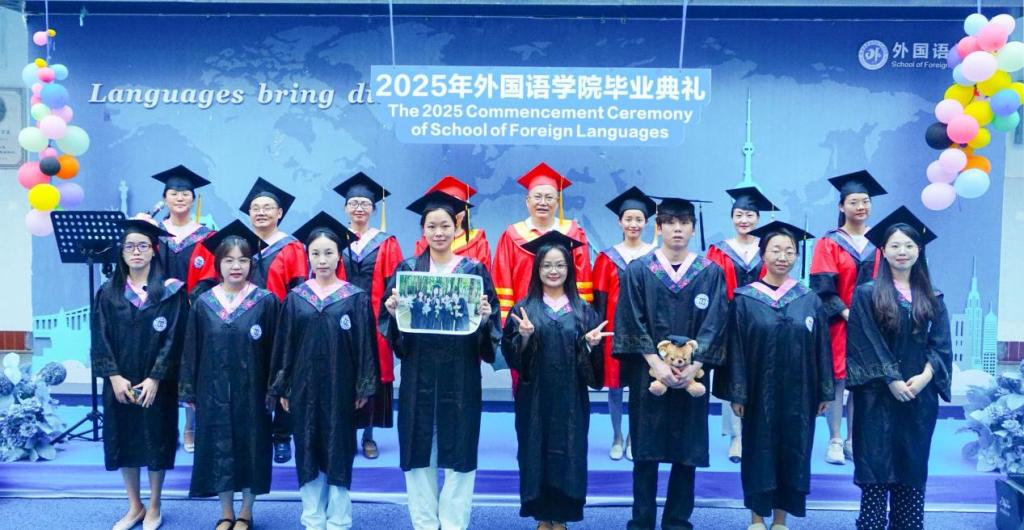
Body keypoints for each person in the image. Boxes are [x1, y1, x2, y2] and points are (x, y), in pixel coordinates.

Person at [380, 190, 500, 530]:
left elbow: (491, 327)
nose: (439, 232)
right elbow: (391, 328)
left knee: (460, 447)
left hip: (460, 372)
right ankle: (424, 523)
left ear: (456, 228)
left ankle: (453, 523)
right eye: (431, 226)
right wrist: (393, 314)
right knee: (418, 447)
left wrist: (485, 317)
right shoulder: (407, 270)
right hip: (419, 371)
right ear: (423, 230)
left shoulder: (474, 271)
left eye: (445, 225)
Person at [612, 197, 728, 530]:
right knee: (645, 451)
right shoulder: (639, 270)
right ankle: (641, 522)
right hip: (649, 374)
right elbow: (630, 319)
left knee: (686, 453)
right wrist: (656, 363)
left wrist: (694, 365)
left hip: (694, 375)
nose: (677, 229)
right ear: (658, 227)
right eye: (670, 222)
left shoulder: (710, 273)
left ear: (693, 228)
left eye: (684, 223)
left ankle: (677, 522)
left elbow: (716, 322)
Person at [716, 220, 833, 530]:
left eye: (789, 251)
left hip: (800, 394)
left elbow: (822, 346)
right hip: (758, 393)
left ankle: (781, 519)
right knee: (758, 451)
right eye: (776, 250)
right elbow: (735, 349)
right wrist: (737, 393)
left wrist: (824, 390)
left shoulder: (808, 299)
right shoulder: (745, 299)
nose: (783, 257)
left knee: (794, 451)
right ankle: (757, 518)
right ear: (763, 254)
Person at [269, 212, 378, 530]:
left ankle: (339, 520)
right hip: (303, 388)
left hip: (340, 387)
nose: (322, 259)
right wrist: (283, 385)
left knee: (339, 449)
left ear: (339, 255)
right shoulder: (297, 298)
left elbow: (365, 345)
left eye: (329, 252)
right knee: (307, 448)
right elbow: (285, 345)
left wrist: (363, 386)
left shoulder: (354, 297)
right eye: (315, 253)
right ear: (308, 256)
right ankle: (313, 519)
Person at [846, 207, 951, 530]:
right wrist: (892, 379)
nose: (902, 251)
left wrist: (924, 378)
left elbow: (941, 345)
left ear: (919, 250)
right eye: (894, 245)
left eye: (908, 245)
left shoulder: (933, 296)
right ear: (883, 250)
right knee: (876, 469)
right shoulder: (866, 294)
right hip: (877, 396)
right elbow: (865, 341)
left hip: (918, 398)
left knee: (911, 467)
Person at [502, 231, 610, 529]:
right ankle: (541, 516)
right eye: (547, 265)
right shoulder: (524, 308)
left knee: (569, 452)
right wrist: (524, 338)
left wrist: (589, 345)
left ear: (569, 269)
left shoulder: (583, 311)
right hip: (534, 398)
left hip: (570, 399)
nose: (553, 271)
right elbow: (513, 357)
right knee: (534, 451)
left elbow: (593, 371)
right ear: (537, 269)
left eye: (560, 265)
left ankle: (561, 517)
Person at [179, 221, 279, 530]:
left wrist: (274, 389)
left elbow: (277, 350)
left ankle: (246, 512)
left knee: (252, 448)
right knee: (218, 448)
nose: (236, 266)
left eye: (243, 260)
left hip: (253, 392)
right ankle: (225, 512)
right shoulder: (204, 303)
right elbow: (191, 349)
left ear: (251, 263)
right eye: (229, 260)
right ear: (218, 263)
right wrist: (189, 390)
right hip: (213, 392)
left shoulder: (265, 301)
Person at [91, 220, 189, 530]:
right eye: (129, 246)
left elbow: (175, 338)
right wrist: (114, 377)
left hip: (156, 383)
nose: (136, 252)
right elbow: (100, 337)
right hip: (119, 382)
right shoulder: (108, 293)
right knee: (125, 438)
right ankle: (135, 505)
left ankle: (155, 505)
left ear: (153, 250)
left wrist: (156, 377)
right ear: (121, 252)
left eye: (142, 246)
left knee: (157, 439)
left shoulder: (171, 292)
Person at [492, 162, 593, 391]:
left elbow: (583, 277)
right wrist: (509, 321)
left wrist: (582, 319)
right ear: (527, 201)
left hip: (566, 320)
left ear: (558, 202)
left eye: (549, 197)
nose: (543, 202)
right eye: (537, 197)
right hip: (525, 318)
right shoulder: (512, 235)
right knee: (524, 377)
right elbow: (502, 278)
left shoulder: (573, 233)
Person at [809, 170, 887, 465]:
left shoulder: (881, 241)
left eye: (865, 201)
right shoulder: (829, 242)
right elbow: (822, 287)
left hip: (873, 323)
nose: (861, 207)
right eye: (854, 202)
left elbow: (888, 282)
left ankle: (854, 440)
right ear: (842, 206)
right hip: (838, 323)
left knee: (862, 381)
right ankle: (834, 439)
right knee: (838, 380)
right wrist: (847, 312)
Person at [140, 165, 214, 454]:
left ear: (194, 199)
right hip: (158, 309)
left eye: (185, 193)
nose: (180, 198)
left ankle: (190, 425)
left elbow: (210, 274)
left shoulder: (206, 236)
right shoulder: (153, 233)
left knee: (192, 365)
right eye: (174, 193)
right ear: (165, 198)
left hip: (192, 311)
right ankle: (162, 426)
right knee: (159, 364)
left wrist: (191, 301)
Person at [334, 172, 404, 460]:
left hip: (375, 319)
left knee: (371, 371)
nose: (359, 208)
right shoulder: (335, 239)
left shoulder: (386, 242)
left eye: (364, 203)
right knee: (343, 371)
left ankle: (368, 435)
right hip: (341, 317)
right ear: (345, 208)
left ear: (374, 209)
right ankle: (345, 433)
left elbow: (395, 282)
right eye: (353, 203)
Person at [706, 186, 777, 463]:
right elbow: (712, 289)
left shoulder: (768, 249)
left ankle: (758, 432)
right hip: (729, 323)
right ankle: (736, 435)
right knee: (732, 375)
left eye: (749, 215)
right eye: (738, 215)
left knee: (762, 374)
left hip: (762, 322)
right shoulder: (719, 250)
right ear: (731, 217)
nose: (744, 220)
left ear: (758, 218)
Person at [240, 177, 308, 464]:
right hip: (244, 324)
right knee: (250, 377)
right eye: (256, 208)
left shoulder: (292, 247)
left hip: (281, 325)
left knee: (283, 377)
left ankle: (282, 436)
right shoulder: (240, 245)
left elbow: (299, 288)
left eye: (268, 207)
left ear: (279, 213)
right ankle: (255, 434)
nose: (261, 212)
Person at [592, 186, 657, 462]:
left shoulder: (655, 256)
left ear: (646, 222)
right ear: (619, 222)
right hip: (614, 333)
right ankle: (617, 436)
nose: (633, 224)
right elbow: (599, 300)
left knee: (640, 389)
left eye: (638, 219)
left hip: (646, 333)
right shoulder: (607, 258)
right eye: (628, 219)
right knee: (616, 388)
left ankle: (633, 438)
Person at [413, 175, 492, 269]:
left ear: (465, 211)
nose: (453, 212)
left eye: (457, 206)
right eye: (448, 207)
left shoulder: (478, 242)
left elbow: (483, 275)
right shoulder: (424, 243)